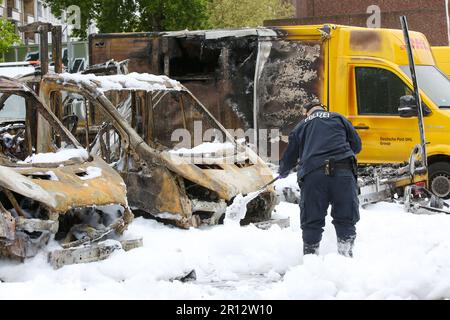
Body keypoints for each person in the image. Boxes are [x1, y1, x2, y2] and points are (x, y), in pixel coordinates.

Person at [278, 101, 362, 257]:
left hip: (313, 176)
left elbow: (289, 157)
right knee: (345, 219)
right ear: (324, 109)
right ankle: (346, 260)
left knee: (311, 222)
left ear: (307, 113)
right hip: (343, 174)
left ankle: (311, 260)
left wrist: (282, 171)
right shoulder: (339, 118)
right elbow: (357, 146)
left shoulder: (301, 126)